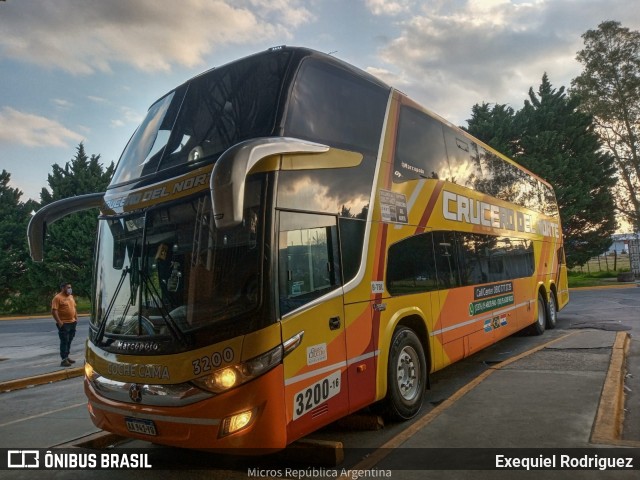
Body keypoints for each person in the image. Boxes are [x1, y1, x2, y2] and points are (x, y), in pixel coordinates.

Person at [51, 282, 78, 367]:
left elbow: (74, 307)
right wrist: (60, 322)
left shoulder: (70, 296)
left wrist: (76, 318)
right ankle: (63, 360)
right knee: (64, 341)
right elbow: (54, 311)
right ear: (63, 288)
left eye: (70, 287)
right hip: (64, 324)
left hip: (72, 322)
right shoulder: (57, 298)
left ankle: (67, 357)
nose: (70, 289)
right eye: (68, 287)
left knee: (69, 340)